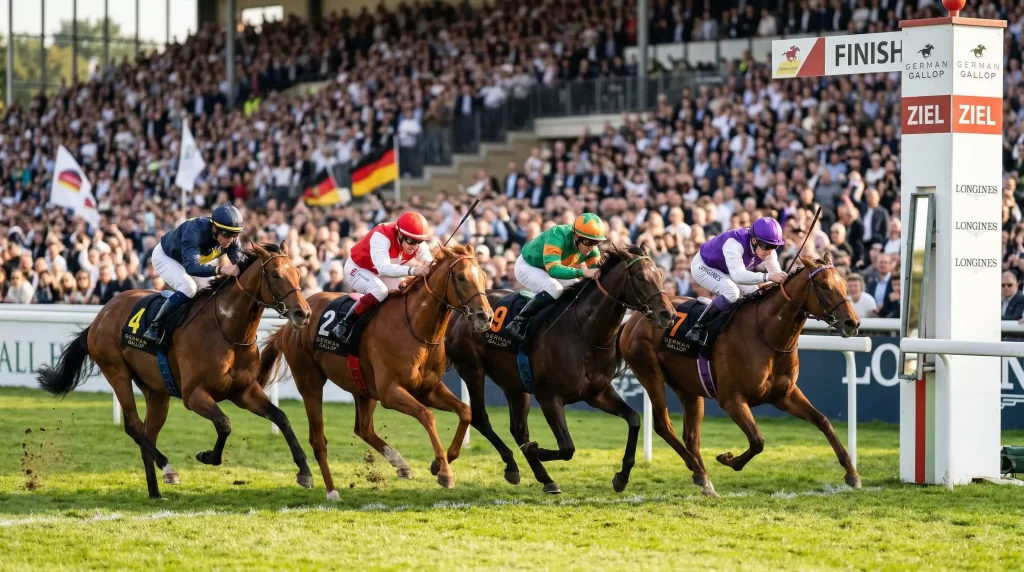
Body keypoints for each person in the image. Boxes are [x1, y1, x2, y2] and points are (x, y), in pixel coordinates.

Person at [141, 205, 245, 343]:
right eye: (226, 234)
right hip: (167, 257)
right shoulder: (195, 230)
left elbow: (242, 266)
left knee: (213, 292)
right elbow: (191, 268)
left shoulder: (231, 239)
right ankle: (155, 326)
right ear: (214, 228)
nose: (230, 240)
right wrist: (221, 269)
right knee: (189, 288)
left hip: (191, 261)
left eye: (235, 235)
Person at [330, 211, 433, 342]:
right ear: (400, 234)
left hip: (380, 272)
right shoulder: (382, 235)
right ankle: (345, 323)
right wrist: (414, 270)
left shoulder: (413, 239)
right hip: (357, 268)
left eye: (419, 241)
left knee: (406, 291)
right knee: (380, 291)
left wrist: (431, 265)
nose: (415, 246)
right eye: (411, 241)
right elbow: (383, 268)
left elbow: (429, 261)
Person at [684, 216, 787, 346]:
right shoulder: (734, 243)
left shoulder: (767, 249)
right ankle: (698, 327)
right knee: (731, 292)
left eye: (774, 247)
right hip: (704, 266)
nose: (769, 251)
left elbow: (776, 275)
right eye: (766, 246)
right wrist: (768, 277)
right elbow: (739, 276)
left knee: (756, 293)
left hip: (727, 269)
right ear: (754, 240)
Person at [505, 213, 605, 340]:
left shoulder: (591, 249)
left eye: (596, 242)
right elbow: (552, 269)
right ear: (576, 236)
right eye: (588, 242)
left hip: (551, 268)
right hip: (528, 266)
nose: (591, 247)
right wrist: (582, 272)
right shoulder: (557, 235)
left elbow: (599, 274)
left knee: (578, 290)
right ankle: (518, 322)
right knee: (555, 288)